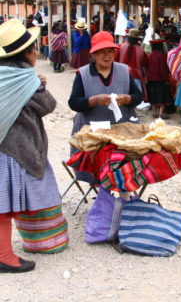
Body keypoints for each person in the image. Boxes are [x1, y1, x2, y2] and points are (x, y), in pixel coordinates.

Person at [0, 19, 67, 273]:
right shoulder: (24, 79)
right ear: (25, 54)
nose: (36, 53)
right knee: (3, 206)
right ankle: (4, 256)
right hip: (14, 152)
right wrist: (39, 84)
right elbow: (47, 106)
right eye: (33, 49)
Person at [68, 31, 143, 138]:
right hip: (90, 132)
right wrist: (93, 101)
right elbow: (73, 102)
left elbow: (138, 96)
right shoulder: (83, 74)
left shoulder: (124, 71)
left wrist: (127, 99)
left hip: (121, 132)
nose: (107, 55)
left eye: (110, 51)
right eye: (101, 52)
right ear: (93, 54)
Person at [118, 28, 148, 101]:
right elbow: (145, 63)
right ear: (138, 39)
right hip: (136, 76)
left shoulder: (120, 47)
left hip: (121, 74)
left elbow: (115, 60)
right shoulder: (141, 50)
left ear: (128, 37)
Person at [147, 39, 173, 119]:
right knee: (163, 97)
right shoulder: (161, 56)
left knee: (153, 97)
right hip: (160, 80)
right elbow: (163, 70)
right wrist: (166, 80)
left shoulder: (149, 55)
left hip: (150, 80)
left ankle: (154, 112)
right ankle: (160, 113)